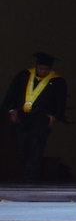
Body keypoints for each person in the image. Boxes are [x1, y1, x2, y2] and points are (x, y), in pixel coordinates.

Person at [3, 52, 68, 182]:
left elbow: (60, 101)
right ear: (36, 66)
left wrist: (55, 116)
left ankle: (31, 178)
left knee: (36, 148)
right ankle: (22, 175)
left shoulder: (57, 81)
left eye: (46, 69)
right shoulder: (24, 75)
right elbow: (12, 93)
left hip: (41, 119)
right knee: (21, 147)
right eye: (41, 68)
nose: (43, 72)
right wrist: (12, 109)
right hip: (22, 117)